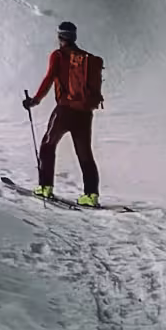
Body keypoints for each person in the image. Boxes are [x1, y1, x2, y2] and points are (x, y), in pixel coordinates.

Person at [25, 18, 105, 205]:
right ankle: (91, 196)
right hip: (85, 112)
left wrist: (35, 100)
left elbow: (49, 78)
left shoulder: (59, 55)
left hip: (65, 110)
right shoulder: (86, 58)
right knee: (85, 153)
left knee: (48, 144)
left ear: (60, 37)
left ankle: (45, 187)